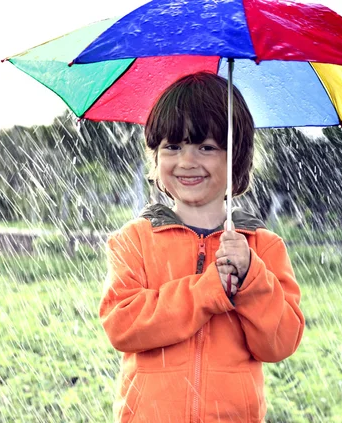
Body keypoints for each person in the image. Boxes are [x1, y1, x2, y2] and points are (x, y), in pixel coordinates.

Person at [99, 72, 305, 423]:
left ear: (236, 157)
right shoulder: (135, 239)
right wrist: (206, 291)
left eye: (206, 147)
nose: (187, 161)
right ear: (156, 156)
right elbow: (123, 324)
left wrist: (251, 277)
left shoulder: (263, 247)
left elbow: (280, 342)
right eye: (173, 146)